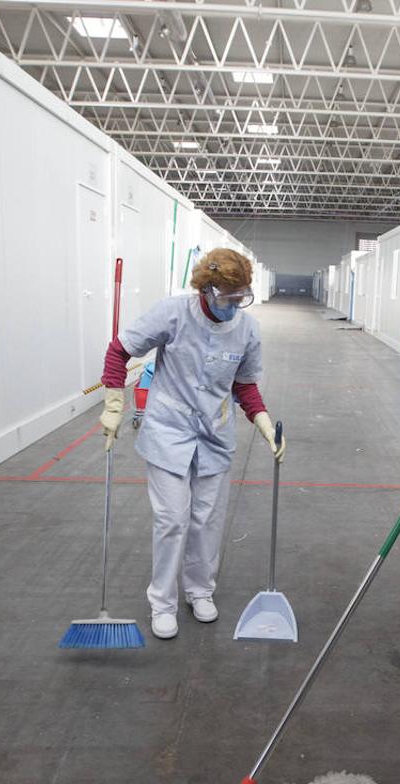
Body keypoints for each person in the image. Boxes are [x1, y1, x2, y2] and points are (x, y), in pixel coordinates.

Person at [98, 248, 287, 640]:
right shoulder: (172, 313)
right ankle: (162, 603)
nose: (233, 306)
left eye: (241, 299)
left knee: (206, 520)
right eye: (226, 298)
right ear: (206, 288)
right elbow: (120, 351)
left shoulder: (247, 329)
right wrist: (114, 405)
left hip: (215, 434)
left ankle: (200, 591)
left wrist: (264, 422)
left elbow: (245, 385)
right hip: (168, 429)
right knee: (172, 519)